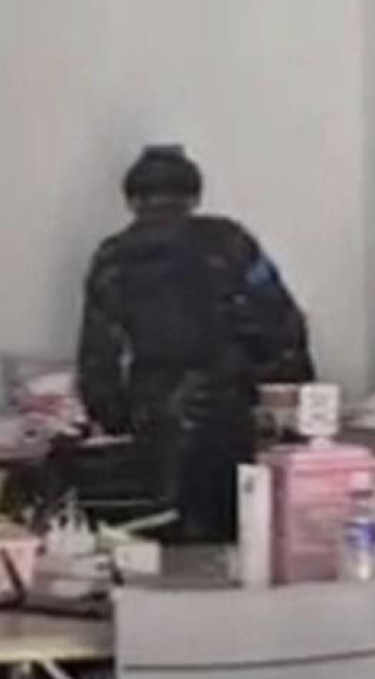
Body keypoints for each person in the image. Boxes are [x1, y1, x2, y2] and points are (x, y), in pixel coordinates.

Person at [77, 145, 315, 542]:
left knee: (165, 533)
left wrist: (113, 414)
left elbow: (98, 353)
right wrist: (292, 396)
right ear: (194, 196)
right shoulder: (230, 241)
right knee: (240, 532)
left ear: (132, 199)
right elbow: (280, 320)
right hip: (231, 405)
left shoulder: (112, 256)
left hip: (156, 410)